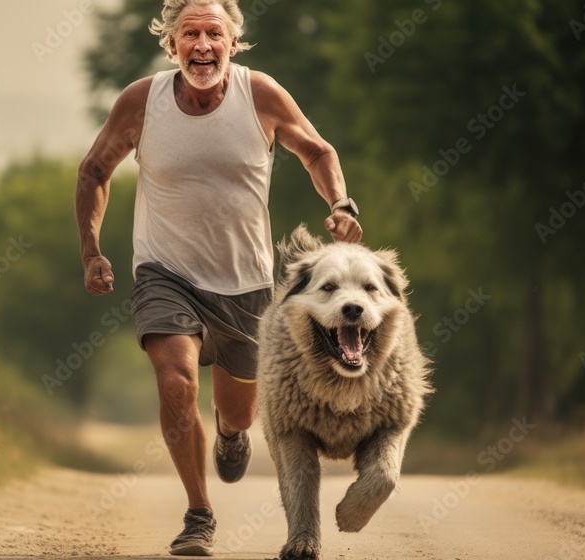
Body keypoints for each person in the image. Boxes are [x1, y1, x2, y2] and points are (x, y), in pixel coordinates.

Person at [75, 0, 362, 555]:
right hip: (164, 271)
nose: (202, 45)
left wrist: (341, 202)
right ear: (172, 43)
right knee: (176, 379)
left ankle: (229, 438)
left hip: (245, 285)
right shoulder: (142, 101)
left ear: (233, 44)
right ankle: (198, 513)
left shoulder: (262, 96)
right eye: (190, 34)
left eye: (213, 34)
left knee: (238, 412)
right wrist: (91, 251)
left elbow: (317, 150)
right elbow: (93, 170)